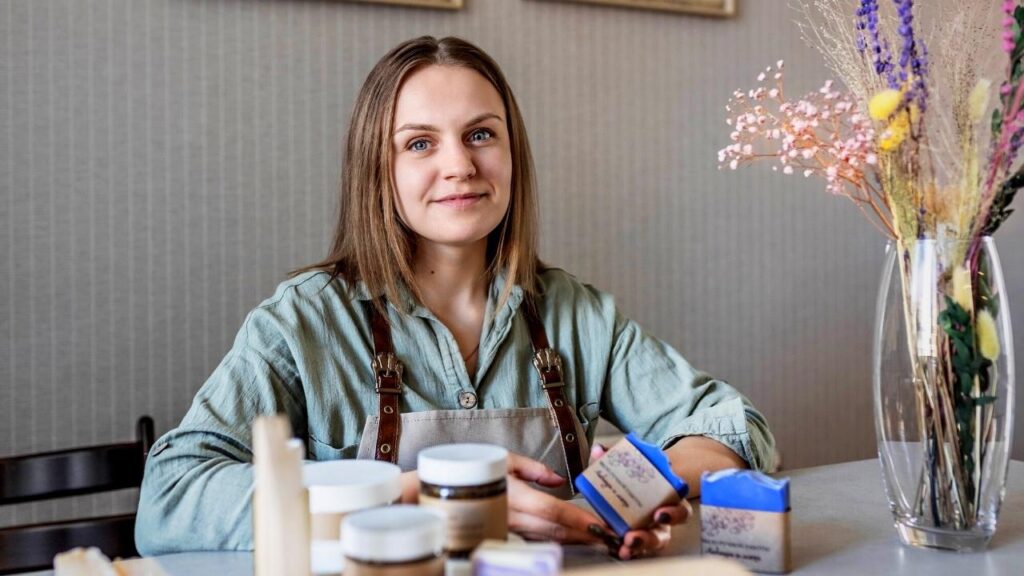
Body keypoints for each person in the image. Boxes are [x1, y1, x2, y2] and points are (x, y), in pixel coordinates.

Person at [135, 35, 775, 560]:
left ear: (512, 151)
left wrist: (644, 487)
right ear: (375, 170)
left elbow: (731, 429)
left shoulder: (576, 315)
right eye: (419, 143)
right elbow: (172, 495)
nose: (461, 166)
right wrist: (414, 498)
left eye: (481, 134)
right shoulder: (299, 323)